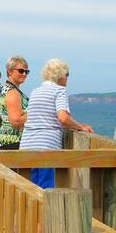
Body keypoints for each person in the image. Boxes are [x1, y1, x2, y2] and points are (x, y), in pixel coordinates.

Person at [20, 58, 93, 189]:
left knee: (31, 188)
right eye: (67, 74)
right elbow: (63, 118)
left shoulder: (35, 91)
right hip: (46, 146)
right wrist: (81, 127)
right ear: (60, 75)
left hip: (27, 145)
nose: (67, 78)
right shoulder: (59, 91)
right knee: (46, 188)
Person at [0, 56, 30, 150]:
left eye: (26, 72)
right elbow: (16, 121)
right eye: (21, 71)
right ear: (9, 71)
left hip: (10, 144)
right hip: (13, 143)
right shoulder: (12, 92)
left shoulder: (8, 89)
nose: (24, 74)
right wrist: (36, 114)